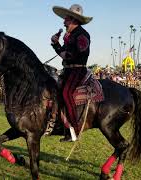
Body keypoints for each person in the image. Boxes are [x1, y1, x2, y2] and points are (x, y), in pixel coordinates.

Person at [51, 4, 92, 142]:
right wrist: (56, 44)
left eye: (66, 19)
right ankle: (61, 123)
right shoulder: (71, 35)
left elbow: (72, 55)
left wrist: (59, 48)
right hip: (68, 69)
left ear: (74, 20)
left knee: (66, 93)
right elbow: (64, 53)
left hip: (78, 69)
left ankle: (75, 128)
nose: (64, 22)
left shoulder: (82, 35)